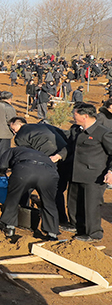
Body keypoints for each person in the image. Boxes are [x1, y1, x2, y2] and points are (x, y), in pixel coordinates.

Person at [52, 103, 112, 242]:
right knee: (73, 203)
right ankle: (76, 226)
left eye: (75, 114)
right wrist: (59, 155)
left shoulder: (103, 133)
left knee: (91, 205)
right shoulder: (76, 130)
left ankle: (94, 233)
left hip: (94, 176)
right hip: (76, 173)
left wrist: (110, 171)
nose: (73, 116)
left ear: (85, 116)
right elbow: (70, 147)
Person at [9, 117, 70, 226]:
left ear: (21, 125)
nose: (14, 132)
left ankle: (23, 210)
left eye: (14, 129)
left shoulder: (20, 137)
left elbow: (28, 156)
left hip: (48, 162)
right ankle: (62, 219)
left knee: (27, 184)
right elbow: (65, 134)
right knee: (58, 191)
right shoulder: (44, 126)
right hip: (64, 158)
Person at [0, 146, 60, 240]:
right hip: (49, 174)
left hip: (25, 170)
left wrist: (4, 172)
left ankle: (9, 226)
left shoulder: (14, 150)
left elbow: (1, 165)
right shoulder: (43, 155)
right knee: (49, 203)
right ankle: (52, 234)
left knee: (13, 197)